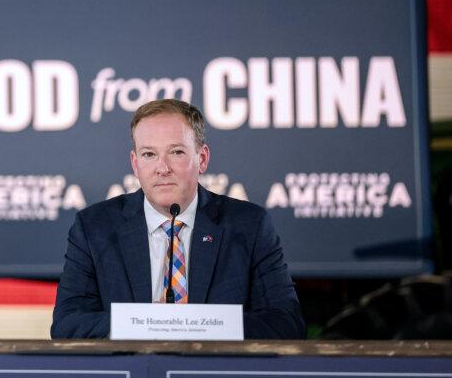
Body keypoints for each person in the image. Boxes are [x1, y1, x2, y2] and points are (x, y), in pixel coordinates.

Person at [51, 98, 305, 339]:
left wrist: (197, 324)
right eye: (149, 154)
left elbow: (286, 322)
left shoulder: (248, 226)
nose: (162, 168)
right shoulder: (95, 227)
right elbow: (67, 324)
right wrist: (146, 322)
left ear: (202, 159)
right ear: (135, 163)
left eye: (176, 152)